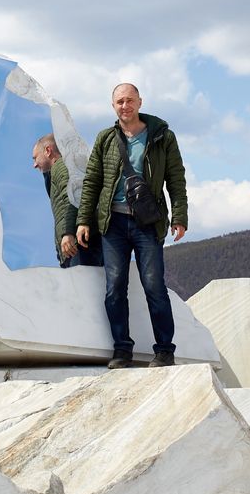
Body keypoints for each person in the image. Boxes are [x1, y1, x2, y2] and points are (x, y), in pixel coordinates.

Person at [76, 83, 187, 368]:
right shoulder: (105, 138)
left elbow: (176, 178)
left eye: (129, 100)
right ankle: (122, 349)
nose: (124, 106)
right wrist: (84, 221)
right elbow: (92, 182)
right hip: (112, 223)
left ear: (140, 102)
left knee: (153, 285)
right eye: (119, 102)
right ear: (113, 106)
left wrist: (179, 216)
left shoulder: (163, 136)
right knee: (114, 288)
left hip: (147, 223)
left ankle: (164, 351)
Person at [32, 133, 103, 268]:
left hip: (80, 243)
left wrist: (68, 233)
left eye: (35, 158)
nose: (34, 165)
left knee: (83, 286)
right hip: (77, 244)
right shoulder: (57, 171)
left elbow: (75, 197)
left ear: (48, 151)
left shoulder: (62, 167)